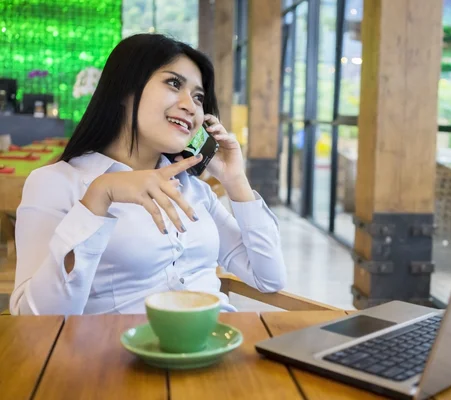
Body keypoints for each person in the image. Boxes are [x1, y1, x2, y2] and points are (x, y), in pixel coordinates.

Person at [9, 34, 286, 315]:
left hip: (217, 346)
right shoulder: (56, 183)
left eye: (199, 97)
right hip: (118, 355)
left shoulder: (195, 190)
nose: (190, 106)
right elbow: (34, 319)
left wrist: (235, 179)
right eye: (174, 83)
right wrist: (99, 196)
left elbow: (269, 277)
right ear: (124, 90)